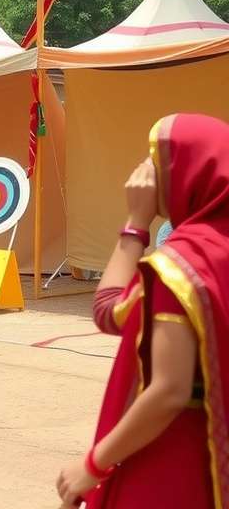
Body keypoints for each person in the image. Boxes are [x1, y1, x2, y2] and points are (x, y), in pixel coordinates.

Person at [56, 114, 228, 508]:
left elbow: (168, 388)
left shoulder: (183, 265)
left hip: (174, 463)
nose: (143, 173)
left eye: (155, 159)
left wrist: (93, 466)